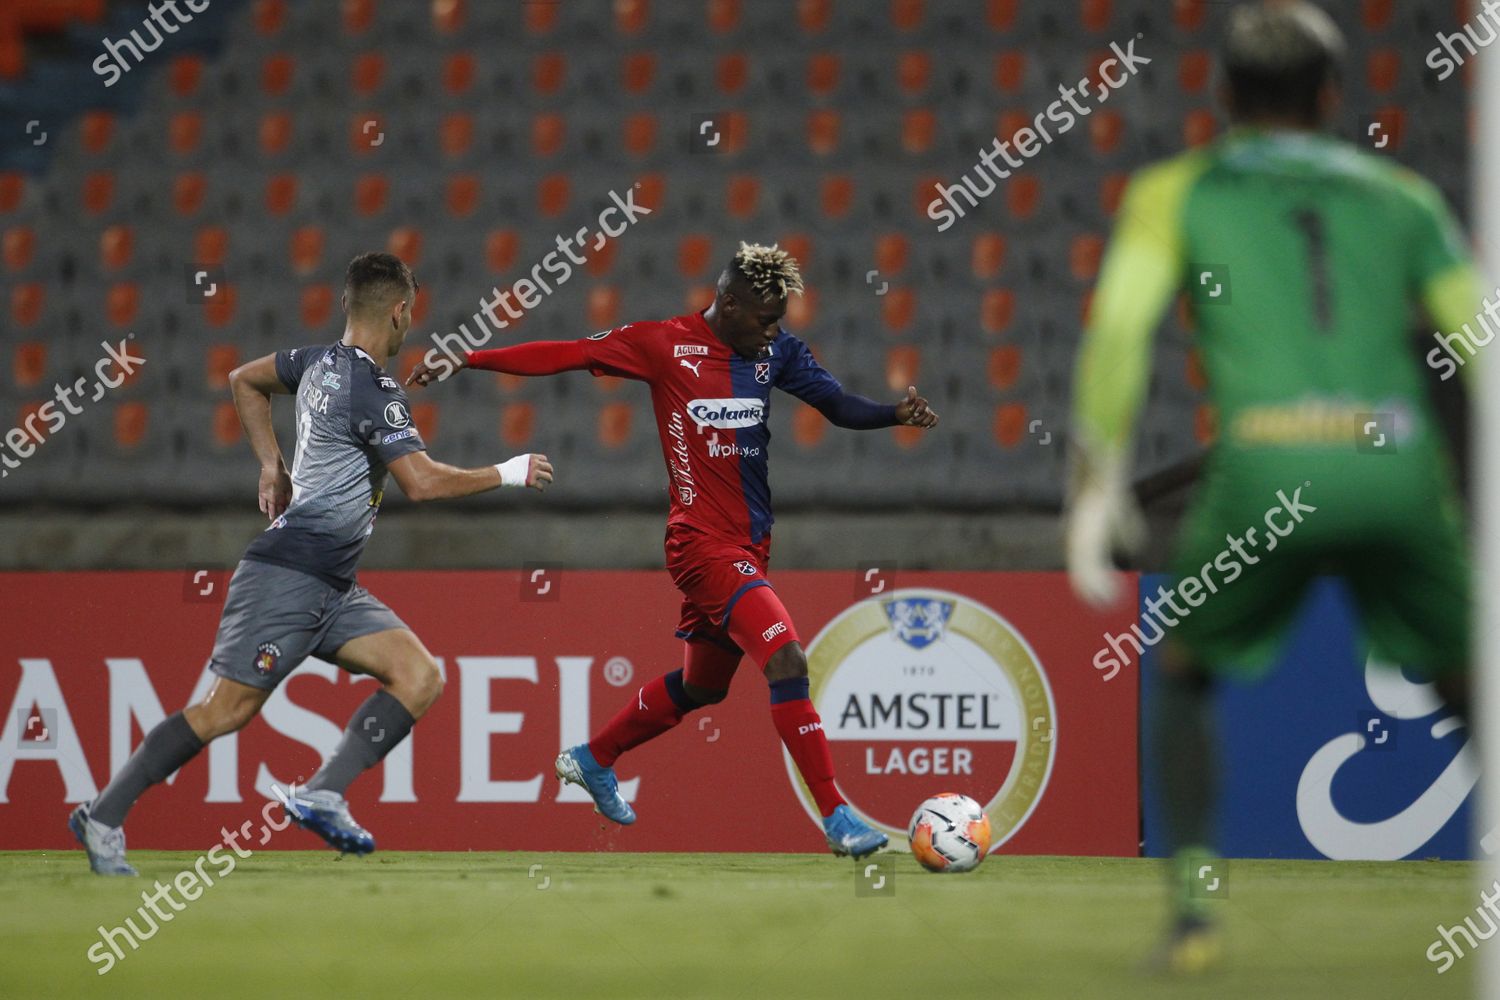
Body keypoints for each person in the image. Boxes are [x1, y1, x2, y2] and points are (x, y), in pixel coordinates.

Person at [1066, 0, 1480, 973]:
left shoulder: (1178, 190)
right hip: (1397, 465)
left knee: (1183, 673)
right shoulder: (1404, 195)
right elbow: (1479, 333)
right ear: (1333, 96)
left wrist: (1096, 483)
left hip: (1267, 467)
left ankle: (1197, 914)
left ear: (1224, 95)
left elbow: (1120, 333)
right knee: (1472, 682)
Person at [408, 242, 938, 857]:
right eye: (765, 319)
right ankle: (838, 816)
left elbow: (837, 405)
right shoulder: (663, 344)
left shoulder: (775, 354)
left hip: (750, 545)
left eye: (779, 321)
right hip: (700, 545)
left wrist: (892, 413)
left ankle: (594, 756)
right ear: (730, 304)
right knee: (788, 659)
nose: (773, 331)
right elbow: (569, 354)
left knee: (704, 687)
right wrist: (467, 359)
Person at [71, 252, 553, 875]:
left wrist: (270, 463)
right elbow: (424, 484)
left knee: (419, 676)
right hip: (288, 575)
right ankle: (102, 815)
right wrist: (508, 472)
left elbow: (243, 379)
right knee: (226, 710)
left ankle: (324, 793)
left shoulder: (316, 363)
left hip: (334, 586)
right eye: (411, 313)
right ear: (402, 312)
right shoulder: (373, 388)